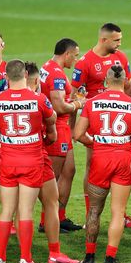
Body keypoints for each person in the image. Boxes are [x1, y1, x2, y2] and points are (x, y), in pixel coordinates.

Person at [0, 60, 57, 263]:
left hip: (8, 160)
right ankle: (25, 259)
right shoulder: (38, 98)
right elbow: (52, 117)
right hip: (31, 160)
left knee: (6, 210)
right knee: (26, 210)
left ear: (6, 77)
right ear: (26, 74)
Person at [74, 65, 131, 263]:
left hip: (100, 160)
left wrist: (94, 143)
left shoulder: (92, 103)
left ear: (105, 81)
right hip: (123, 159)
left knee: (94, 210)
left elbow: (77, 134)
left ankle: (89, 256)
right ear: (125, 82)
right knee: (118, 211)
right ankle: (110, 259)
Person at [72, 23, 131, 229]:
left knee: (124, 166)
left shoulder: (121, 57)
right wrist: (75, 128)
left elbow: (129, 85)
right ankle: (90, 213)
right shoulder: (85, 63)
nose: (120, 43)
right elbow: (76, 95)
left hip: (120, 119)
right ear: (104, 40)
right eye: (116, 40)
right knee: (93, 166)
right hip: (96, 122)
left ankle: (122, 214)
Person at [23, 62, 80, 263]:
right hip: (38, 155)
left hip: (13, 161)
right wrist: (76, 105)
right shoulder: (40, 99)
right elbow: (52, 123)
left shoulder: (1, 100)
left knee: (15, 207)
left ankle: (9, 257)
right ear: (35, 80)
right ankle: (52, 249)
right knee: (47, 197)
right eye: (74, 54)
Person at [40, 38, 84, 233]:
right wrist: (77, 104)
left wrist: (70, 99)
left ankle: (60, 216)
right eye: (74, 56)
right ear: (66, 54)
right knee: (53, 176)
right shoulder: (57, 74)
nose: (75, 60)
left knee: (69, 170)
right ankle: (47, 220)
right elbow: (58, 106)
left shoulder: (47, 67)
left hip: (60, 128)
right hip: (58, 129)